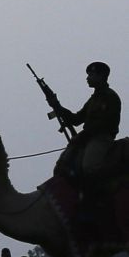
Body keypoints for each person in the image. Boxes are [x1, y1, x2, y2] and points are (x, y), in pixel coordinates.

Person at [52, 62, 121, 210]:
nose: (88, 78)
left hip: (101, 139)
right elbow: (76, 119)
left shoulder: (110, 97)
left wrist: (84, 135)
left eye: (91, 75)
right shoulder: (93, 99)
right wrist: (57, 107)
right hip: (87, 139)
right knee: (63, 165)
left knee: (89, 167)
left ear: (101, 76)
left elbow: (106, 123)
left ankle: (100, 198)